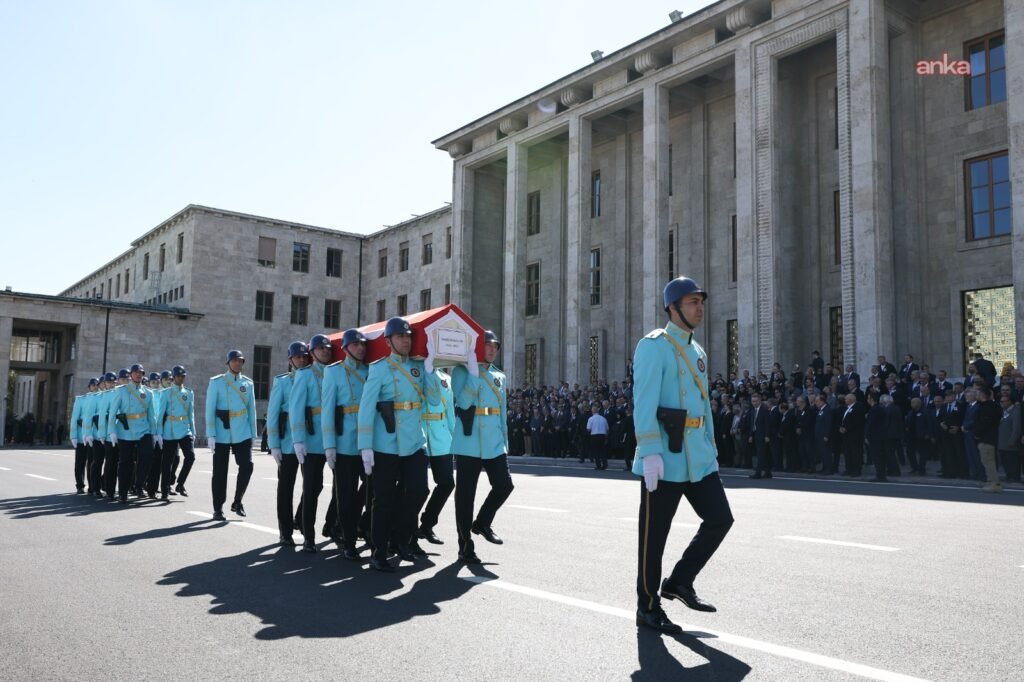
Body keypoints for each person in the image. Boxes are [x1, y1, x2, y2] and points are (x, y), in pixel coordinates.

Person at [633, 276, 733, 635]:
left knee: (721, 519)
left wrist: (711, 448)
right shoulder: (653, 346)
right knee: (654, 537)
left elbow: (704, 407)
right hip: (665, 456)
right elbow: (643, 403)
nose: (700, 308)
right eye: (692, 302)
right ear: (673, 308)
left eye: (701, 302)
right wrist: (649, 453)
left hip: (698, 456)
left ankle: (679, 581)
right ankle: (647, 606)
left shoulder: (697, 352)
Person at [358, 317, 432, 572]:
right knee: (384, 500)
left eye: (409, 336)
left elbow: (431, 400)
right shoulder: (379, 369)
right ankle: (378, 550)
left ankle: (401, 538)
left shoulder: (418, 367)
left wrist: (432, 371)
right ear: (389, 341)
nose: (406, 340)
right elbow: (366, 409)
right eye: (401, 337)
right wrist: (365, 446)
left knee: (419, 490)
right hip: (386, 443)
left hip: (413, 441)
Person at [451, 330, 514, 565]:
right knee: (465, 496)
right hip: (469, 441)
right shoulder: (461, 371)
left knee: (504, 485)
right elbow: (464, 402)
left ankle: (483, 522)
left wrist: (505, 441)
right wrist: (474, 375)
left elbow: (502, 412)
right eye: (488, 345)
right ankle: (465, 544)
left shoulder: (499, 375)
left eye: (495, 346)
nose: (492, 350)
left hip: (494, 441)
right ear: (478, 347)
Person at [322, 329, 371, 560]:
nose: (360, 348)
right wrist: (329, 445)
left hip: (368, 442)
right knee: (346, 495)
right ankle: (348, 540)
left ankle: (363, 527)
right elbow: (327, 411)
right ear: (345, 348)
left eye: (362, 344)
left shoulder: (371, 370)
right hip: (344, 443)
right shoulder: (334, 373)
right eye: (355, 345)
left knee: (372, 489)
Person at [291, 334, 334, 553]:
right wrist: (298, 440)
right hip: (313, 439)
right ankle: (309, 535)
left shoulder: (337, 371)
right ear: (313, 353)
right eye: (320, 349)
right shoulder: (305, 375)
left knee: (341, 487)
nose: (325, 351)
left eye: (328, 348)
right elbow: (297, 409)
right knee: (312, 487)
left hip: (336, 438)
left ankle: (332, 525)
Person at [206, 350, 257, 521]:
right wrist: (211, 434)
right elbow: (210, 410)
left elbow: (251, 409)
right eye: (234, 360)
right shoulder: (217, 382)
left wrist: (253, 434)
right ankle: (218, 508)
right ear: (228, 363)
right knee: (220, 471)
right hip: (221, 432)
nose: (237, 363)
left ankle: (237, 501)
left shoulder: (248, 384)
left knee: (247, 466)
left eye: (240, 360)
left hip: (242, 431)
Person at [268, 341, 310, 546]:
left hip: (309, 441)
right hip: (286, 443)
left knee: (313, 486)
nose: (302, 360)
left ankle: (299, 518)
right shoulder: (283, 382)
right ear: (290, 360)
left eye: (305, 356)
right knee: (286, 487)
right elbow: (273, 414)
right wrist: (273, 444)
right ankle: (285, 531)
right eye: (298, 357)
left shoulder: (313, 378)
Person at [108, 364, 158, 504]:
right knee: (125, 463)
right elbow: (113, 412)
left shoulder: (148, 393)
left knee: (148, 456)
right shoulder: (121, 391)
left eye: (140, 373)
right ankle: (123, 492)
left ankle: (139, 483)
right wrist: (111, 431)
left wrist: (154, 433)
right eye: (135, 372)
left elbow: (151, 414)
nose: (138, 375)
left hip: (143, 429)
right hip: (126, 430)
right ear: (131, 375)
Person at [417, 365, 456, 545]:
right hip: (420, 434)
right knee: (416, 489)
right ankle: (405, 531)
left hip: (441, 436)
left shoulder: (446, 378)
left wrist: (455, 440)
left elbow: (450, 413)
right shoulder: (417, 372)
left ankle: (427, 524)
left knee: (447, 483)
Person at [154, 366, 195, 501]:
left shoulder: (188, 393)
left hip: (184, 428)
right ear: (174, 377)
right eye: (178, 376)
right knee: (167, 462)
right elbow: (160, 415)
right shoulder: (166, 393)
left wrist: (193, 432)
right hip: (169, 430)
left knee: (190, 456)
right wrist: (158, 433)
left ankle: (180, 484)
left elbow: (191, 414)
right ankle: (165, 490)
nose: (181, 378)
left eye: (183, 376)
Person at [70, 378, 99, 494]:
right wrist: (73, 436)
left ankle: (92, 486)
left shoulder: (100, 398)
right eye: (93, 385)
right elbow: (74, 419)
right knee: (80, 462)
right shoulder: (81, 400)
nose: (95, 387)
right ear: (89, 387)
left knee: (92, 462)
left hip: (93, 436)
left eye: (97, 385)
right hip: (81, 437)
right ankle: (80, 485)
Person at [973, 386, 1002, 492]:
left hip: (987, 438)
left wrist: (976, 433)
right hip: (986, 437)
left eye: (977, 393)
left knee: (989, 461)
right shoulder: (985, 406)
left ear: (982, 395)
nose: (975, 395)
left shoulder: (989, 407)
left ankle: (995, 483)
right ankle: (990, 481)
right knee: (986, 461)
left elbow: (984, 423)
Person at [997, 394, 1022, 483]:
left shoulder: (1015, 412)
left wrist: (1012, 440)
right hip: (1003, 443)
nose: (1001, 403)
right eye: (1001, 401)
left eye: (1003, 401)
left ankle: (1015, 477)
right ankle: (1009, 475)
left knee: (1013, 461)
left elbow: (1016, 428)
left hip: (1010, 443)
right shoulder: (1004, 411)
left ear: (1010, 402)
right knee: (1005, 461)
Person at [587, 404, 609, 470]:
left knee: (596, 451)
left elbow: (588, 429)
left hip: (594, 435)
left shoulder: (590, 419)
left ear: (593, 411)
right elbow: (607, 429)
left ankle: (598, 465)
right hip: (602, 435)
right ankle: (604, 464)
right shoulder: (603, 418)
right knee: (602, 451)